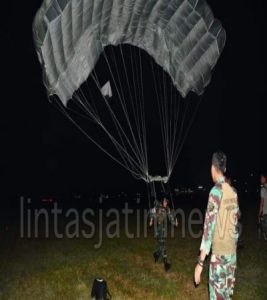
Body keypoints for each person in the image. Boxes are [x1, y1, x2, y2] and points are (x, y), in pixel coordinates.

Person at [194, 151, 239, 299]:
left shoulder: (215, 192)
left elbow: (208, 228)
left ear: (213, 168)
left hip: (219, 258)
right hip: (231, 256)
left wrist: (200, 263)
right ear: (224, 169)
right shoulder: (233, 192)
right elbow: (236, 225)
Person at [149, 196, 178, 272]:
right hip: (158, 229)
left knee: (162, 244)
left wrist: (175, 223)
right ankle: (166, 263)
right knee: (163, 245)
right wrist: (151, 220)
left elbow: (170, 217)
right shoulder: (158, 208)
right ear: (162, 202)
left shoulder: (167, 209)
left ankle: (157, 254)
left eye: (166, 202)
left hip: (164, 230)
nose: (166, 203)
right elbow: (152, 212)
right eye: (164, 202)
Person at [258, 173, 267, 239]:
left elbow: (262, 203)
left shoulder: (263, 189)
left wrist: (259, 213)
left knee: (264, 227)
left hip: (265, 211)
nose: (260, 179)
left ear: (265, 178)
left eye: (261, 178)